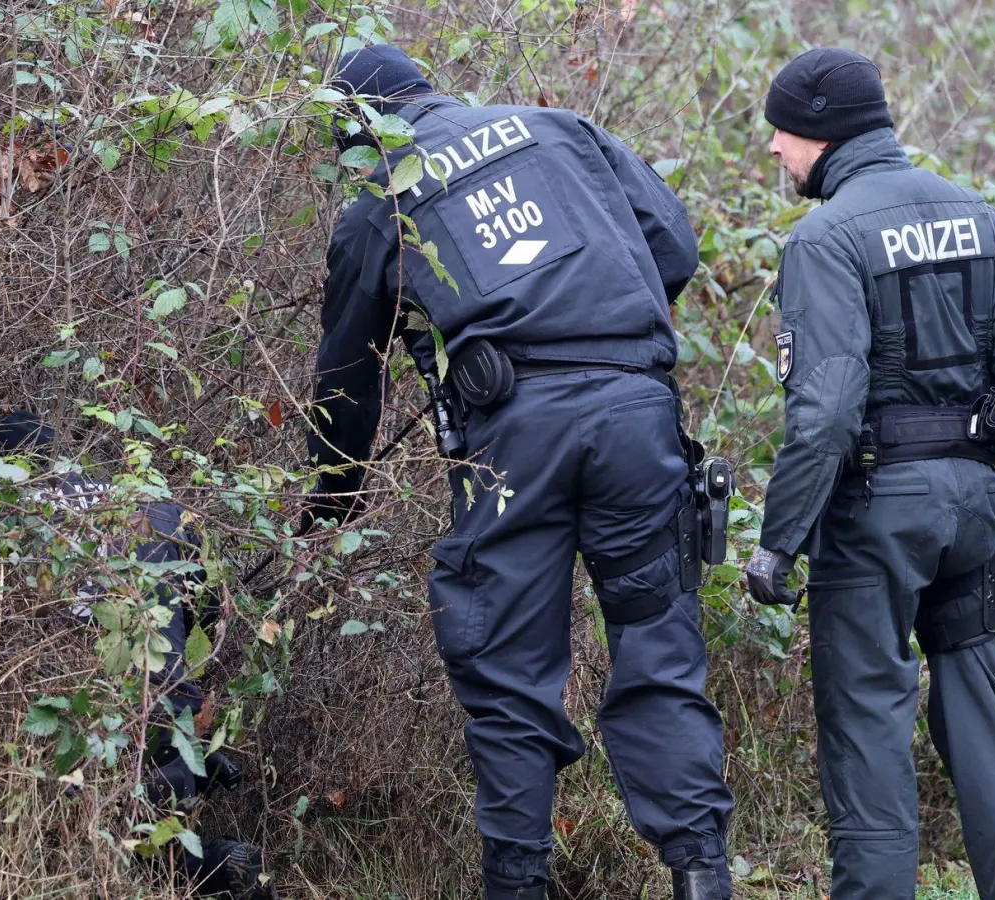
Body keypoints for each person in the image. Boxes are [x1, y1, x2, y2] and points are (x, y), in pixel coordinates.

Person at [305, 43, 734, 900]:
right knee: (659, 642)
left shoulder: (379, 200)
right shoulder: (560, 129)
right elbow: (674, 247)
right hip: (636, 415)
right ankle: (702, 876)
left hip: (514, 438)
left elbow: (347, 376)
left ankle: (518, 884)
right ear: (430, 90)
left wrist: (334, 496)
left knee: (505, 664)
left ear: (359, 131)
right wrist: (601, 330)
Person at [741, 49, 995, 900]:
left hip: (876, 511)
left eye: (781, 130)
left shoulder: (825, 237)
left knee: (867, 728)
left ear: (821, 131)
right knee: (981, 711)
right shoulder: (978, 216)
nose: (773, 148)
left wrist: (780, 545)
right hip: (969, 506)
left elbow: (826, 413)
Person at [0, 412, 271, 900]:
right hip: (169, 665)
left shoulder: (10, 503)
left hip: (97, 681)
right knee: (168, 697)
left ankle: (202, 859)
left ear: (2, 460)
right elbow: (204, 614)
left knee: (128, 831)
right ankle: (216, 845)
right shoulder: (129, 494)